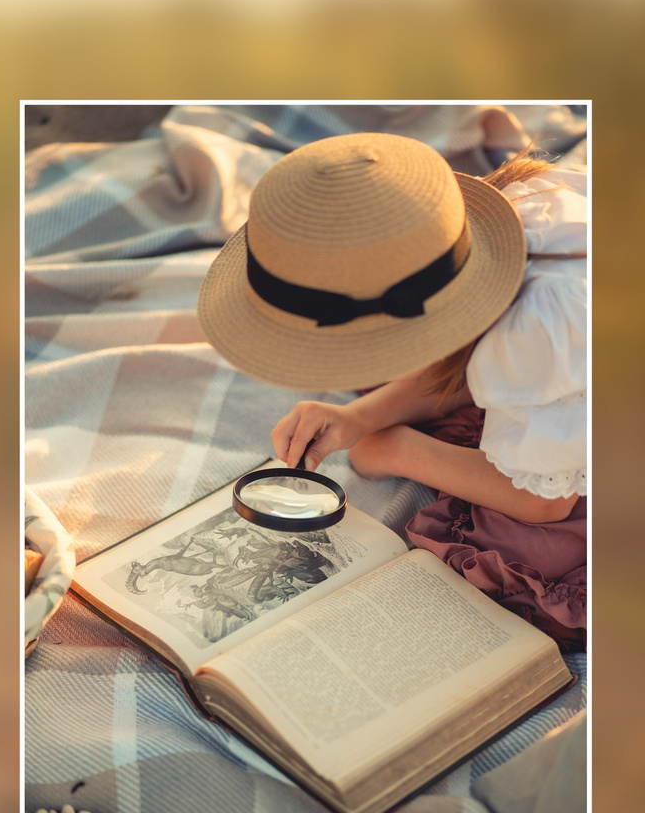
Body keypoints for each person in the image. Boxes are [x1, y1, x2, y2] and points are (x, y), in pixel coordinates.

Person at [196, 131, 587, 645]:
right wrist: (359, 419)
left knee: (520, 551)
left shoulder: (542, 327)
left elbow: (543, 503)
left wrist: (397, 448)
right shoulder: (488, 232)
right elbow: (461, 359)